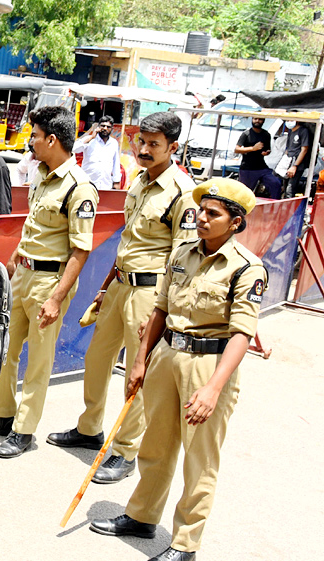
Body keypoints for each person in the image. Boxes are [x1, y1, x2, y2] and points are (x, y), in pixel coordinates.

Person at [89, 178, 266, 561]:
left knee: (199, 459)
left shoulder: (246, 268)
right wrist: (139, 362)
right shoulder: (183, 253)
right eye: (201, 211)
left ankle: (185, 543)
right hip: (167, 355)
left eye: (213, 214)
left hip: (209, 364)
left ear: (235, 222)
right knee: (157, 443)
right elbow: (160, 310)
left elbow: (241, 333)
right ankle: (142, 514)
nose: (201, 218)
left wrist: (213, 387)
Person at [46, 111, 199, 484]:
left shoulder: (182, 193)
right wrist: (105, 287)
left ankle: (126, 448)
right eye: (140, 142)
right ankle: (89, 428)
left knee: (137, 372)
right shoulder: (140, 182)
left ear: (172, 147)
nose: (144, 150)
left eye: (153, 145)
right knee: (97, 359)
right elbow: (128, 240)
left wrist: (162, 312)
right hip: (119, 286)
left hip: (150, 293)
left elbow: (184, 259)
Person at [0, 105, 97, 457]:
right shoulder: (41, 174)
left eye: (35, 136)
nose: (31, 142)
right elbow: (32, 229)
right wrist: (11, 265)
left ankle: (23, 429)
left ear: (52, 139)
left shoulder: (80, 189)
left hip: (49, 282)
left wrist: (56, 298)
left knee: (38, 360)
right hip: (23, 274)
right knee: (4, 348)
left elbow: (80, 251)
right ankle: (0, 414)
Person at [235, 117, 281, 199]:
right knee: (244, 194)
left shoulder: (266, 135)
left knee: (275, 183)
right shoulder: (246, 134)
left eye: (260, 119)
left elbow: (267, 149)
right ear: (252, 120)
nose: (257, 121)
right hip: (247, 168)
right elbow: (237, 149)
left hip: (262, 167)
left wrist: (266, 152)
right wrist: (253, 148)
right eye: (255, 119)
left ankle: (274, 205)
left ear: (263, 121)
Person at [73, 117, 121, 191]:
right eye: (103, 126)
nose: (105, 128)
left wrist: (116, 181)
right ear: (98, 127)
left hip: (105, 185)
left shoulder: (113, 143)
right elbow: (75, 149)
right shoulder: (90, 140)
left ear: (111, 129)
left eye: (108, 127)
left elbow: (116, 163)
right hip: (88, 184)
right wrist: (91, 137)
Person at [282, 118, 311, 197]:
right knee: (285, 188)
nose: (289, 122)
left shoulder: (303, 131)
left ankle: (289, 208)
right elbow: (288, 148)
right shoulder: (290, 131)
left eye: (291, 120)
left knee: (290, 190)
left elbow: (304, 150)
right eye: (287, 120)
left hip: (296, 163)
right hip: (287, 162)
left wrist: (295, 166)